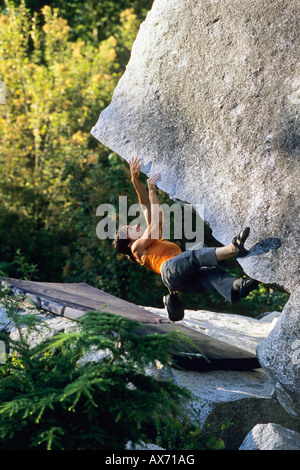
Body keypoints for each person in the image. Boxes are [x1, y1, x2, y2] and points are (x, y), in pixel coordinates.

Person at [113, 157, 259, 321]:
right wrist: (143, 187)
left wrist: (145, 187)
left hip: (181, 281)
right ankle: (233, 249)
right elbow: (156, 222)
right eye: (131, 229)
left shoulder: (152, 242)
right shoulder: (136, 249)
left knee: (210, 274)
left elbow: (151, 212)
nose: (136, 226)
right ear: (130, 242)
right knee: (195, 255)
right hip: (170, 271)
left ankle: (238, 287)